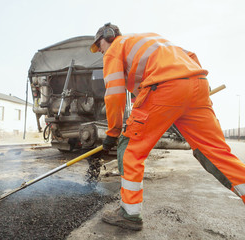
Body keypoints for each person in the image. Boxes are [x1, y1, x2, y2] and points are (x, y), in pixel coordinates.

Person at [90, 23, 245, 231]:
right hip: (197, 83)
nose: (99, 50)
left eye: (98, 45)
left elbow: (114, 95)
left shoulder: (114, 49)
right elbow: (190, 56)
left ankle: (130, 214)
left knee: (130, 149)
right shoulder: (150, 40)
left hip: (166, 87)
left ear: (108, 36)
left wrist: (113, 132)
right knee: (215, 152)